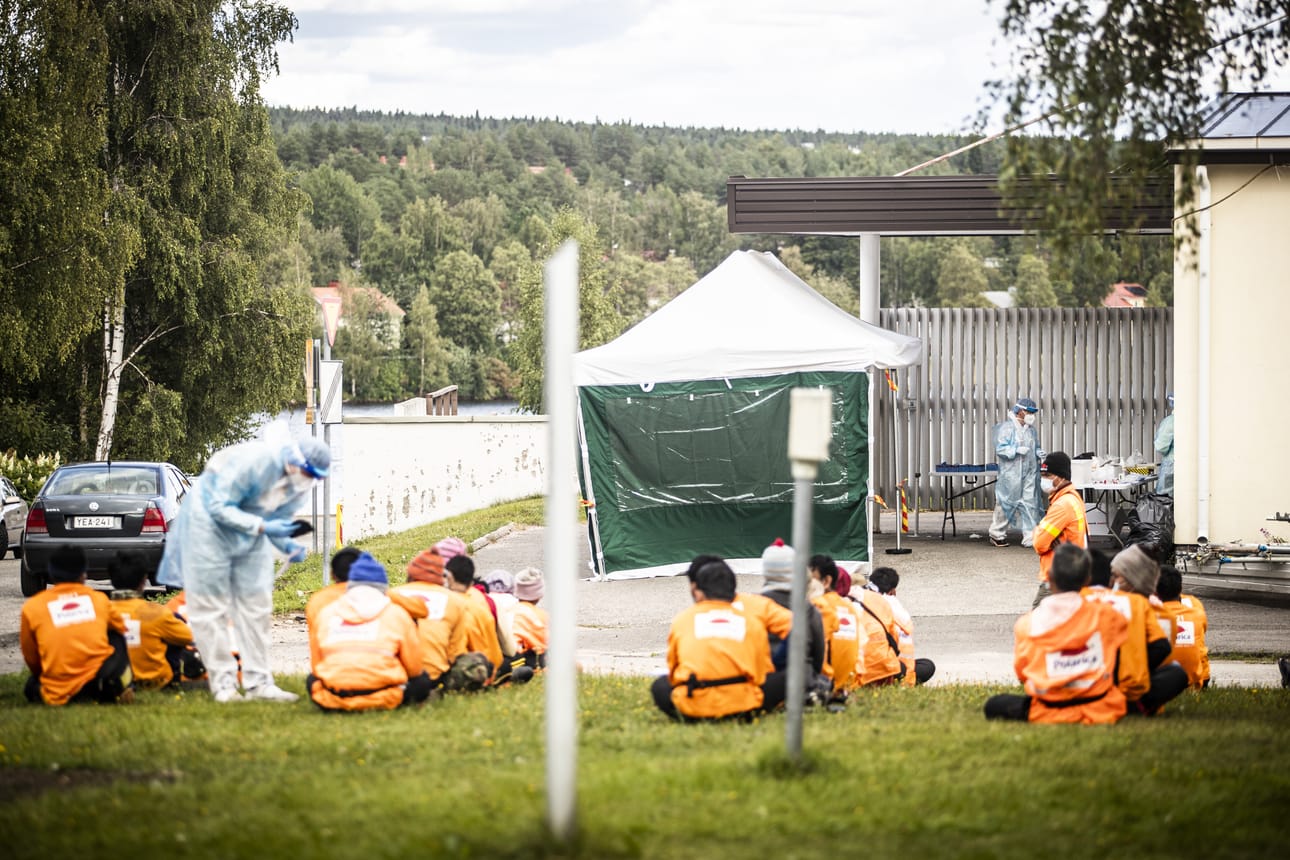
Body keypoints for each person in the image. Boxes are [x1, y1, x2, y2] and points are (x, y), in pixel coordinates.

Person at [984, 544, 1129, 724]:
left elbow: (1022, 673)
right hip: (1099, 706)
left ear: (1050, 577)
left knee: (994, 705)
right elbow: (1120, 648)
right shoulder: (1108, 615)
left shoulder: (1027, 624)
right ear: (1087, 579)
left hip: (1048, 709)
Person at [651, 559, 784, 721]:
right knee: (787, 678)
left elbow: (674, 669)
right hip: (745, 704)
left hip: (694, 704)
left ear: (697, 592)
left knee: (660, 686)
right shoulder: (752, 620)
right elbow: (762, 672)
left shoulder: (682, 620)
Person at [307, 553, 432, 711]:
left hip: (333, 697)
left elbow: (317, 666)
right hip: (385, 695)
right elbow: (414, 669)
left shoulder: (326, 611)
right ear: (383, 587)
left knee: (311, 679)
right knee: (422, 681)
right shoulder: (396, 612)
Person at [20, 545, 135, 706]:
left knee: (31, 686)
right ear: (83, 575)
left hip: (56, 690)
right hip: (98, 683)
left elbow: (31, 657)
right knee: (116, 634)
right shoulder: (98, 599)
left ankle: (57, 688)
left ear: (51, 574)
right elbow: (123, 630)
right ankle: (121, 683)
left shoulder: (32, 607)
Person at [1095, 545, 1189, 715]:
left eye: (1116, 576)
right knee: (1175, 673)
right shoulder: (1160, 612)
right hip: (1123, 680)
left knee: (1175, 673)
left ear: (1134, 581)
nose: (1111, 582)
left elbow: (1161, 651)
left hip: (1124, 679)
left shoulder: (1158, 614)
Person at [108, 551, 204, 689]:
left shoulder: (101, 611)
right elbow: (190, 638)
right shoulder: (157, 613)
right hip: (155, 682)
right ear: (144, 580)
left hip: (114, 683)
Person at [389, 549, 469, 688]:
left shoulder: (392, 595)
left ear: (410, 574)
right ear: (442, 577)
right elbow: (456, 652)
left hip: (393, 675)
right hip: (434, 676)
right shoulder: (455, 600)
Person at [758, 539, 827, 690]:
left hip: (763, 683)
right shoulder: (810, 610)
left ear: (766, 572)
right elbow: (818, 655)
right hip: (801, 683)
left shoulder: (752, 606)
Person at [1030, 451, 1088, 607]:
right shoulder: (1073, 498)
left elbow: (1039, 544)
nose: (1044, 480)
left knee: (1039, 619)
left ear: (1062, 477)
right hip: (1071, 572)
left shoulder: (1062, 505)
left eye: (1048, 475)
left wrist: (1038, 531)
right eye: (1042, 475)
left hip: (1057, 576)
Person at [989, 398, 1044, 548]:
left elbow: (1035, 447)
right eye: (1029, 412)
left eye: (1033, 413)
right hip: (1011, 475)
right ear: (1020, 411)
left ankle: (1030, 537)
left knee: (1030, 503)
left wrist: (1038, 452)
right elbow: (1000, 449)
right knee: (1006, 503)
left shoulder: (1031, 430)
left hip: (1029, 473)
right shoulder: (1007, 428)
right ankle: (997, 534)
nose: (1031, 415)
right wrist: (1015, 450)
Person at [867, 566, 935, 686]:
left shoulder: (857, 598)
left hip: (859, 662)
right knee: (927, 666)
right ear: (892, 590)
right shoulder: (892, 605)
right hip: (881, 665)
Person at [444, 553, 504, 683]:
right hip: (494, 665)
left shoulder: (452, 606)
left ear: (450, 577)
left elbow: (455, 652)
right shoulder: (479, 598)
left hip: (474, 669)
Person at [808, 554, 860, 698]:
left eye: (810, 580)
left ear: (826, 581)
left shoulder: (817, 606)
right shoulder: (850, 608)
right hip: (847, 685)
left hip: (823, 684)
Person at [1154, 565, 1210, 689]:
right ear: (1180, 587)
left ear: (1155, 591)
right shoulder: (1195, 605)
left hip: (1163, 682)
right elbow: (1202, 631)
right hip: (1199, 679)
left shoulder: (1150, 612)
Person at [850, 571, 905, 686]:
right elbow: (897, 643)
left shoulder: (837, 606)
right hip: (879, 671)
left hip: (847, 670)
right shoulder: (885, 602)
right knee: (925, 666)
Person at [511, 567, 549, 671]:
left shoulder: (507, 612)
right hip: (531, 661)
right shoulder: (541, 616)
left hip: (509, 659)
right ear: (539, 594)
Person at [1154, 393, 1175, 496]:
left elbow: (1161, 446)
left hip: (1171, 465)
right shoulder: (1193, 420)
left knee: (1166, 499)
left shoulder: (1171, 421)